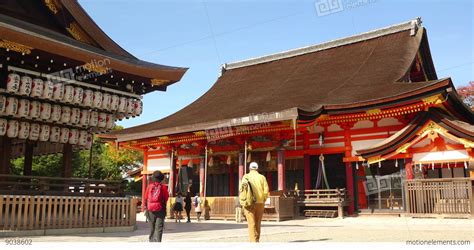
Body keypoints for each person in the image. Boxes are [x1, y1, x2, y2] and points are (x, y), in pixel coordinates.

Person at [240, 162, 269, 243]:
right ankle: (257, 239)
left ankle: (253, 242)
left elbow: (241, 189)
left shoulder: (246, 177)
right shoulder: (262, 177)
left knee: (251, 223)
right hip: (260, 203)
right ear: (257, 168)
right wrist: (264, 199)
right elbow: (266, 190)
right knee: (258, 222)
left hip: (249, 203)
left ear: (249, 168)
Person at [143, 170, 169, 242]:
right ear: (161, 179)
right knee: (159, 227)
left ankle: (151, 241)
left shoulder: (149, 186)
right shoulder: (163, 187)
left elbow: (145, 197)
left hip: (150, 209)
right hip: (160, 209)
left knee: (152, 226)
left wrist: (146, 206)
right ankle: (157, 243)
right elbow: (166, 197)